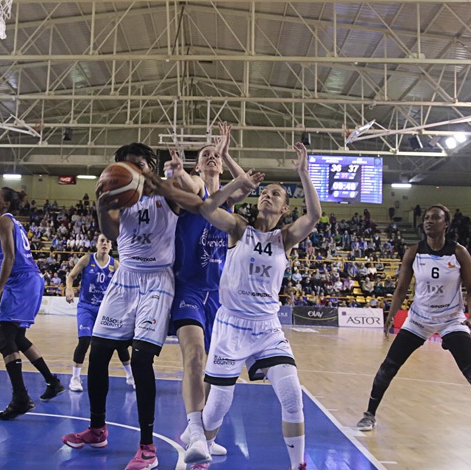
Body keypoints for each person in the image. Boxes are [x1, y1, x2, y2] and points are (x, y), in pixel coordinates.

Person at [149, 142, 321, 469]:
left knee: (292, 395)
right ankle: (201, 445)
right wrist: (235, 182)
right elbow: (207, 208)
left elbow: (315, 215)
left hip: (268, 328)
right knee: (219, 402)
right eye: (265, 193)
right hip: (232, 324)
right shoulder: (239, 228)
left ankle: (297, 465)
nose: (268, 196)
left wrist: (303, 173)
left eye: (276, 194)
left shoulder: (285, 238)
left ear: (285, 208)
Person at [355, 205, 471, 453]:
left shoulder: (459, 253)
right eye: (426, 218)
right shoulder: (413, 252)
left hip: (451, 319)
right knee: (388, 368)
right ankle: (369, 414)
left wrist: (470, 317)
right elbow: (402, 288)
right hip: (419, 318)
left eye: (435, 218)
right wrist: (391, 314)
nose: (429, 221)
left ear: (445, 223)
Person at [61, 143, 178, 470]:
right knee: (96, 353)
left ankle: (148, 447)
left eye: (139, 165)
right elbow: (111, 231)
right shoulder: (120, 198)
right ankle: (97, 429)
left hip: (157, 279)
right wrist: (101, 205)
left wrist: (159, 180)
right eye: (127, 166)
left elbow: (189, 203)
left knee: (141, 361)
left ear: (150, 166)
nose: (133, 171)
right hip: (125, 276)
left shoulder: (166, 194)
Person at [163, 123, 246, 458]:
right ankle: (196, 431)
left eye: (215, 157)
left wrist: (225, 152)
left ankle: (202, 434)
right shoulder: (196, 190)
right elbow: (188, 183)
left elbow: (246, 185)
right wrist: (180, 172)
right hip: (189, 288)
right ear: (198, 166)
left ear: (222, 166)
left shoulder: (228, 198)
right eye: (206, 156)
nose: (211, 159)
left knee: (215, 368)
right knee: (194, 355)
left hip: (219, 293)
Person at [0, 187, 65, 420]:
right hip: (30, 280)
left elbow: (10, 257)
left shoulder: (2, 220)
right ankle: (52, 381)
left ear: (7, 205)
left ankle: (20, 397)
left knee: (4, 337)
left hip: (20, 281)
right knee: (17, 338)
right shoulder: (12, 222)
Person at [64, 234, 134, 392]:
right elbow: (71, 277)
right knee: (84, 341)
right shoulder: (86, 260)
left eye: (108, 241)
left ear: (111, 246)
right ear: (96, 244)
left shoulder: (115, 265)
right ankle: (75, 378)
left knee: (119, 342)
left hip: (106, 309)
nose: (105, 244)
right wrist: (69, 288)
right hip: (86, 307)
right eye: (102, 241)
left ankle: (130, 376)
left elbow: (125, 285)